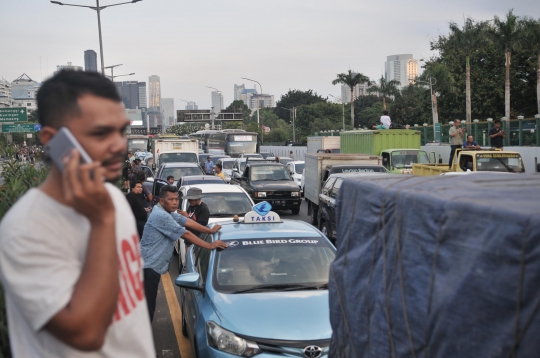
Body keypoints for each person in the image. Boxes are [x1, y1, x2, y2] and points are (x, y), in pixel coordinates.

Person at [0, 70, 155, 356]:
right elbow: (87, 334)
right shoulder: (26, 228)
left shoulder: (111, 197)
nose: (119, 145)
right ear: (52, 139)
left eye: (121, 130)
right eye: (100, 133)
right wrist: (102, 222)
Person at [140, 185, 227, 322]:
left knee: (147, 307)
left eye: (176, 199)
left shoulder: (168, 213)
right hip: (147, 268)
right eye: (171, 199)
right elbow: (186, 233)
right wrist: (209, 245)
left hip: (151, 266)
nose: (175, 202)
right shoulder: (161, 215)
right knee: (146, 310)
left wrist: (209, 231)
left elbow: (187, 222)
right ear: (162, 201)